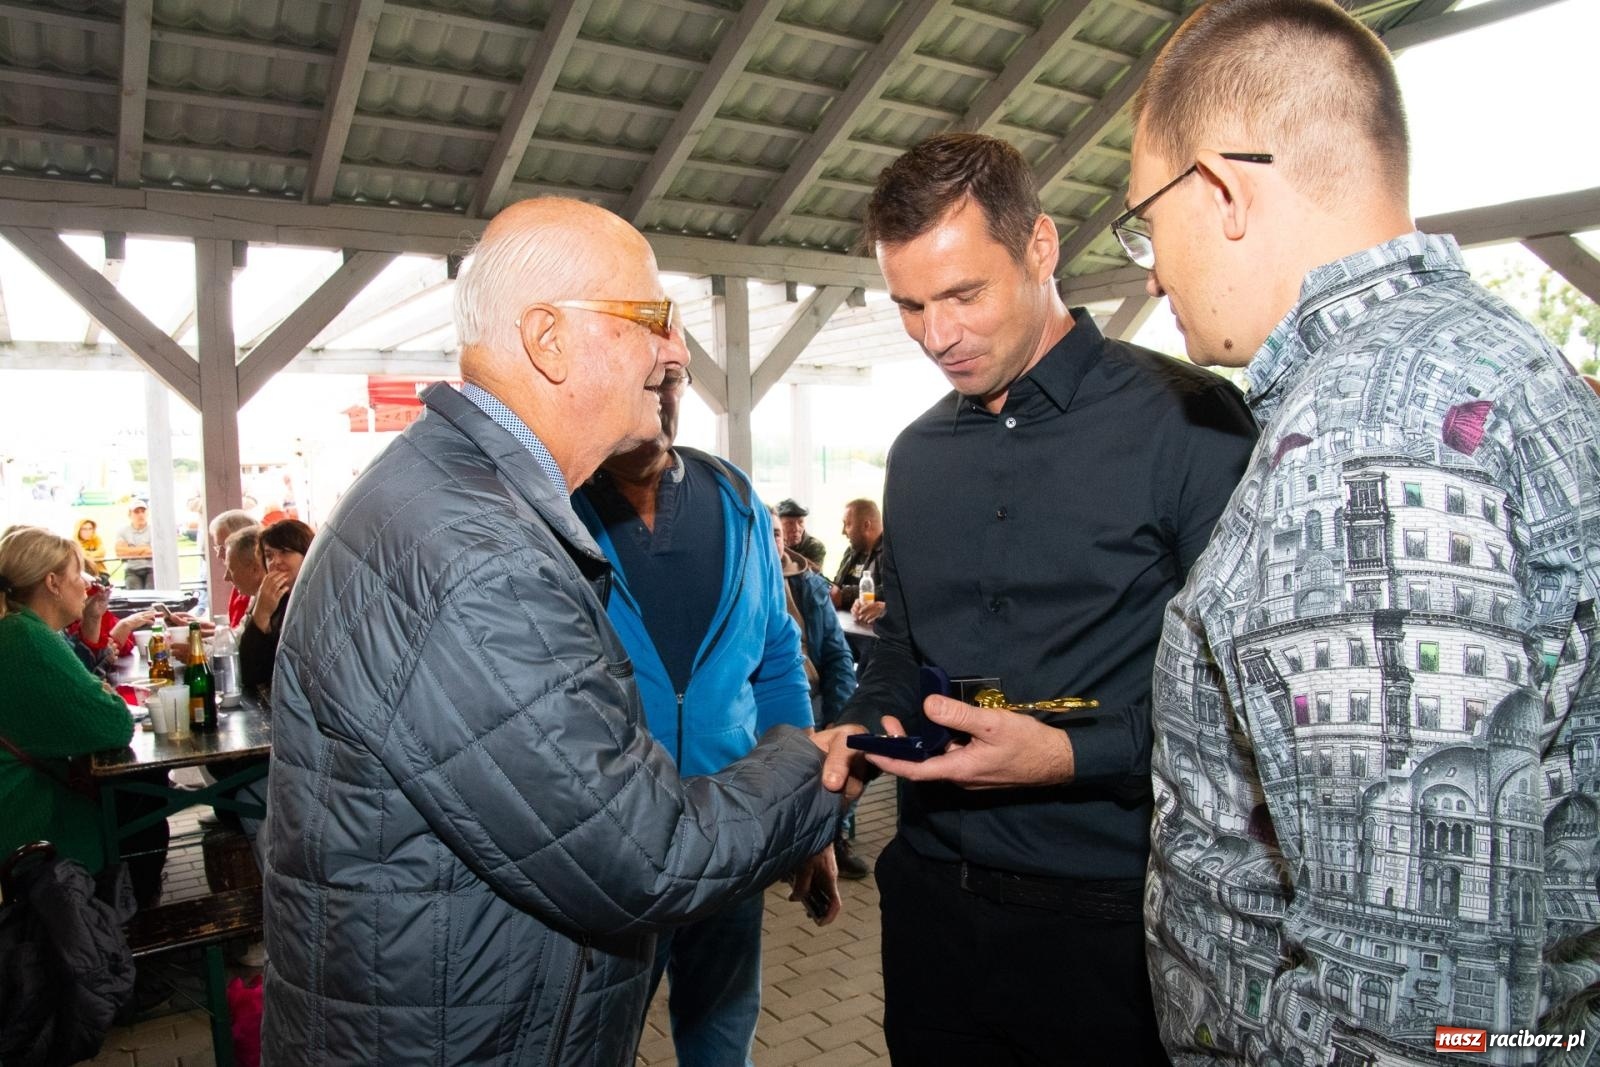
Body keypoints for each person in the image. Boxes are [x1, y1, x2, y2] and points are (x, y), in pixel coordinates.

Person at [1111, 2, 1600, 1061]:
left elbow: (1418, 1009)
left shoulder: (1361, 442)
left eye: (1146, 218)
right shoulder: (1486, 355)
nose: (1151, 270)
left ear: (1221, 191)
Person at [259, 197, 843, 1067]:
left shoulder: (455, 496)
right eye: (652, 319)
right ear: (549, 339)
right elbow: (645, 856)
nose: (677, 352)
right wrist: (815, 768)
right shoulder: (479, 552)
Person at [817, 132, 1257, 1065]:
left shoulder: (1189, 423)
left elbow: (1246, 705)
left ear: (1041, 247)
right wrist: (860, 727)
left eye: (963, 295)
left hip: (1111, 919)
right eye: (909, 306)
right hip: (933, 907)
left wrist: (1069, 755)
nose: (937, 335)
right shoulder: (916, 456)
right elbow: (903, 650)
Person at [572, 368, 839, 1066]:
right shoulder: (553, 508)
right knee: (592, 1042)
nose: (658, 391)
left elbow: (777, 659)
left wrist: (806, 817)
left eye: (673, 376)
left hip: (731, 830)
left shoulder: (734, 497)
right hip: (611, 846)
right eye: (638, 372)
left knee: (721, 1036)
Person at [0, 526, 168, 907]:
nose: (87, 585)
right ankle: (129, 919)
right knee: (145, 794)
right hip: (30, 825)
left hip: (26, 802)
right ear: (53, 583)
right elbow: (113, 724)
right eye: (78, 575)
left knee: (142, 789)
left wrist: (99, 695)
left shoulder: (21, 629)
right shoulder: (27, 638)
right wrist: (103, 697)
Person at [770, 511, 866, 879]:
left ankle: (833, 837)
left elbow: (839, 656)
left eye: (776, 533)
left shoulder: (809, 584)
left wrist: (841, 714)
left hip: (816, 694)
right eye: (764, 533)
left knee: (848, 752)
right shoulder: (738, 583)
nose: (772, 540)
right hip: (765, 702)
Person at [237, 519, 311, 697]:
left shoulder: (318, 598)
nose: (275, 562)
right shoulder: (271, 598)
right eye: (269, 555)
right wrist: (261, 614)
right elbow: (250, 673)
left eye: (285, 552)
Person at [830, 498, 883, 614]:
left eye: (847, 524)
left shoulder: (890, 554)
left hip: (871, 624)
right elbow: (837, 587)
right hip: (845, 620)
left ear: (866, 525)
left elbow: (891, 591)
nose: (843, 532)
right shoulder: (851, 551)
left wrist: (845, 595)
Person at [208, 510, 257, 627]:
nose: (218, 555)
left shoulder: (254, 584)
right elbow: (237, 631)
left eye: (224, 547)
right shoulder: (239, 580)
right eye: (217, 547)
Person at [222, 525, 265, 625]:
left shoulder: (273, 605)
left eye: (231, 570)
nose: (226, 577)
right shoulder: (257, 597)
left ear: (255, 569)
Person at [774, 498, 826, 572]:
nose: (796, 528)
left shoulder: (814, 546)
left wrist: (784, 550)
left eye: (800, 522)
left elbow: (814, 572)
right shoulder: (773, 543)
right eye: (789, 523)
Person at [113, 500, 154, 590]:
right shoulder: (122, 531)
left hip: (152, 569)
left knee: (151, 592)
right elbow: (120, 552)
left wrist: (130, 551)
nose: (140, 515)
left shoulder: (154, 530)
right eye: (136, 512)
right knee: (134, 593)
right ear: (130, 514)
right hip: (132, 570)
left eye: (143, 511)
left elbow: (154, 552)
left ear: (147, 513)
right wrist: (144, 549)